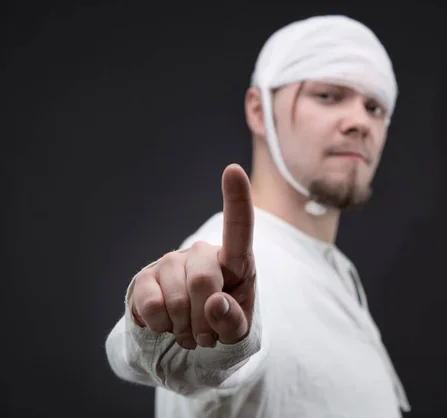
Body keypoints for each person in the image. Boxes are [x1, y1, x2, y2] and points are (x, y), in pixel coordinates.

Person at [105, 14, 411, 418]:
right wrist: (188, 338)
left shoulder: (333, 269)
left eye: (375, 106)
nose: (360, 122)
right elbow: (212, 361)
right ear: (258, 109)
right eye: (328, 95)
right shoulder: (231, 269)